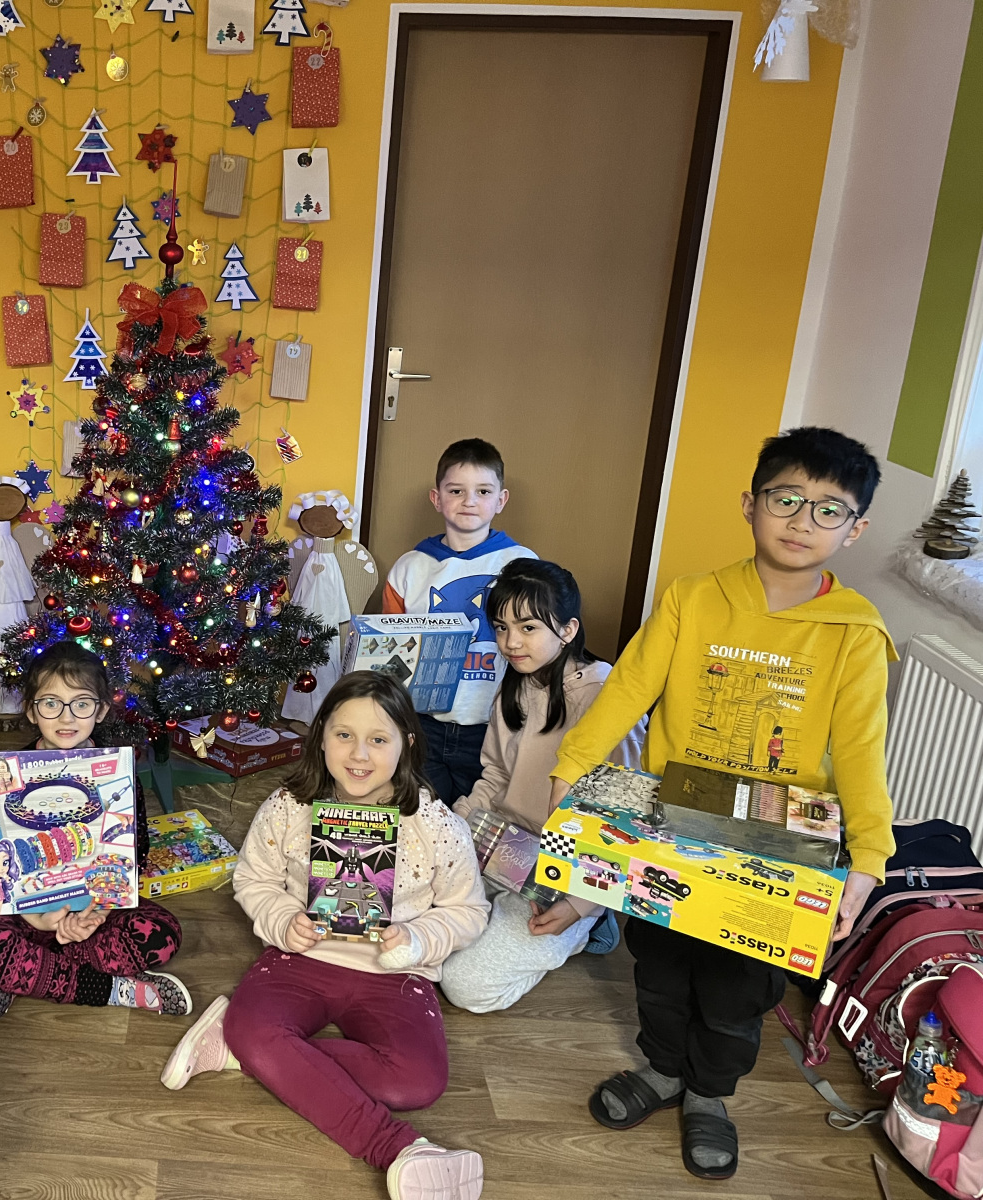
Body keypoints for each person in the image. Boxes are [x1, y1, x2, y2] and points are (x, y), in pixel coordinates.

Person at [549, 427, 897, 1180]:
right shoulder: (693, 598)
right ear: (750, 504)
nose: (802, 521)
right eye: (786, 499)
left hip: (776, 846)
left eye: (828, 509)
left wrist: (868, 860)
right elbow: (629, 690)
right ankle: (662, 1069)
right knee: (659, 961)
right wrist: (571, 769)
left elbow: (862, 752)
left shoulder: (857, 634)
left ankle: (709, 1092)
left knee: (738, 986)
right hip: (673, 823)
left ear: (855, 528)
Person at [160, 672, 490, 1200]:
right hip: (302, 959)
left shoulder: (435, 823)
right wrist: (282, 919)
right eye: (344, 735)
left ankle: (244, 1047)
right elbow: (253, 879)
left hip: (394, 974)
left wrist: (417, 937)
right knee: (266, 1031)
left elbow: (468, 910)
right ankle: (395, 1148)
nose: (359, 754)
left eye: (378, 739)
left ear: (406, 743)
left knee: (417, 1082)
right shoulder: (289, 806)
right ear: (320, 737)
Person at [441, 559, 644, 1012]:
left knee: (465, 986)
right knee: (416, 937)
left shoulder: (606, 698)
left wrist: (582, 904)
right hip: (499, 845)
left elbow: (626, 824)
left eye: (528, 627)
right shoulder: (515, 684)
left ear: (568, 630)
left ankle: (593, 925)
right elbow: (495, 775)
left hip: (567, 871)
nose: (511, 642)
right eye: (501, 627)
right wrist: (449, 830)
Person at [0, 641, 189, 1021]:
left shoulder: (118, 773)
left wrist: (96, 913)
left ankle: (28, 973)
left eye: (81, 704)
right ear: (31, 710)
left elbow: (136, 851)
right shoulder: (3, 773)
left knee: (161, 933)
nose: (66, 717)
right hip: (28, 915)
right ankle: (114, 989)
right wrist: (36, 918)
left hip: (96, 912)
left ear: (102, 710)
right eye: (51, 703)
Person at [383, 438, 536, 804]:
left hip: (495, 724)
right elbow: (390, 653)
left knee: (481, 818)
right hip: (423, 723)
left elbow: (539, 645)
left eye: (483, 491)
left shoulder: (523, 565)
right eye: (456, 491)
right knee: (425, 814)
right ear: (437, 498)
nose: (469, 501)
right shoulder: (409, 567)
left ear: (501, 500)